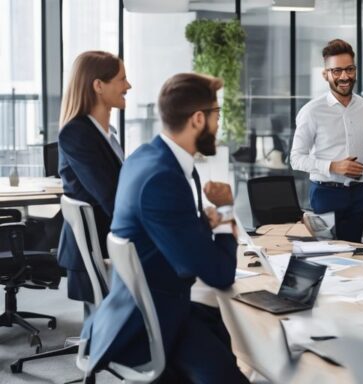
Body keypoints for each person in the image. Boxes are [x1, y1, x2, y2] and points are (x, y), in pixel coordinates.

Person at [82, 73, 248, 383]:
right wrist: (225, 211)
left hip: (152, 303)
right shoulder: (164, 179)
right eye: (217, 116)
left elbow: (162, 228)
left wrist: (200, 224)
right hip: (152, 323)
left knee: (224, 337)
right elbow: (220, 275)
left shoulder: (146, 157)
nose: (218, 125)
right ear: (198, 119)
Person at [58, 50, 130, 303]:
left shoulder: (106, 134)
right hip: (98, 251)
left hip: (109, 244)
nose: (128, 86)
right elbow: (111, 197)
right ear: (98, 85)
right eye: (122, 79)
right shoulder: (77, 133)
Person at [291, 38, 363, 243]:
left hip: (359, 194)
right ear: (325, 74)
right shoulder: (312, 111)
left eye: (349, 69)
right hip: (326, 194)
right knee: (327, 255)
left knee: (356, 253)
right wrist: (333, 166)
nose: (344, 76)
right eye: (337, 71)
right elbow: (296, 158)